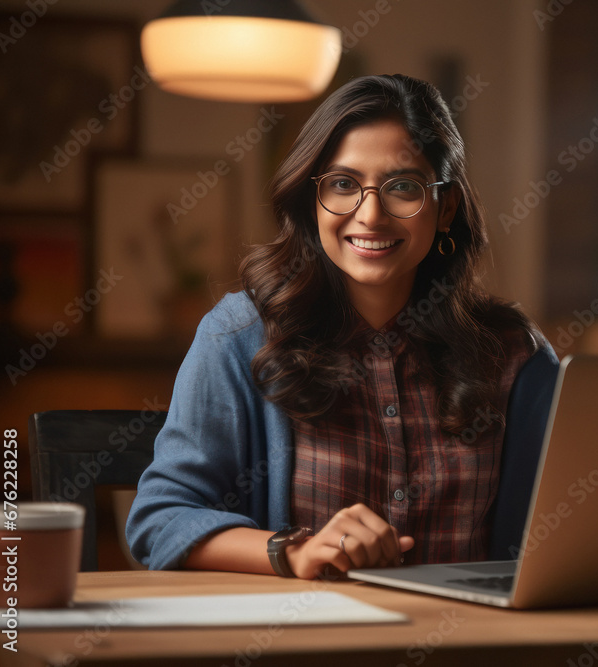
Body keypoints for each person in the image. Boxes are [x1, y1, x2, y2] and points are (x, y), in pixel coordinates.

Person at [126, 74, 559, 580]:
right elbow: (159, 521)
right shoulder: (239, 336)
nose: (369, 215)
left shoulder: (514, 355)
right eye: (343, 184)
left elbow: (568, 535)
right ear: (312, 201)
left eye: (402, 187)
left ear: (446, 209)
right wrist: (293, 551)